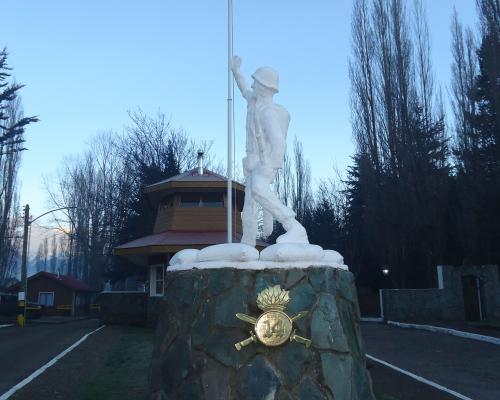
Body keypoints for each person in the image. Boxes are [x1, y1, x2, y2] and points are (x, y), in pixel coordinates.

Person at [231, 55, 308, 246]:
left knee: (258, 189)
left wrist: (269, 165)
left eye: (256, 82)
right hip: (251, 160)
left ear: (265, 88)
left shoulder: (268, 112)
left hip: (264, 161)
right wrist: (236, 70)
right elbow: (243, 89)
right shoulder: (253, 101)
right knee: (249, 205)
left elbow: (278, 143)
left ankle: (293, 226)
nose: (253, 85)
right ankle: (247, 244)